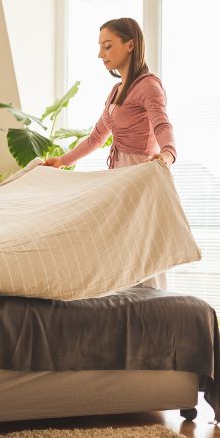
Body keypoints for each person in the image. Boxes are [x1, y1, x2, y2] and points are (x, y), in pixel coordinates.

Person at [43, 17, 177, 290]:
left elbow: (162, 123)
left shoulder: (149, 85)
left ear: (130, 45)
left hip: (140, 174)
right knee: (121, 247)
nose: (100, 54)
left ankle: (154, 311)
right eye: (100, 47)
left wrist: (167, 154)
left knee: (141, 248)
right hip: (118, 175)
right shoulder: (116, 91)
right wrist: (62, 161)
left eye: (107, 46)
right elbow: (96, 138)